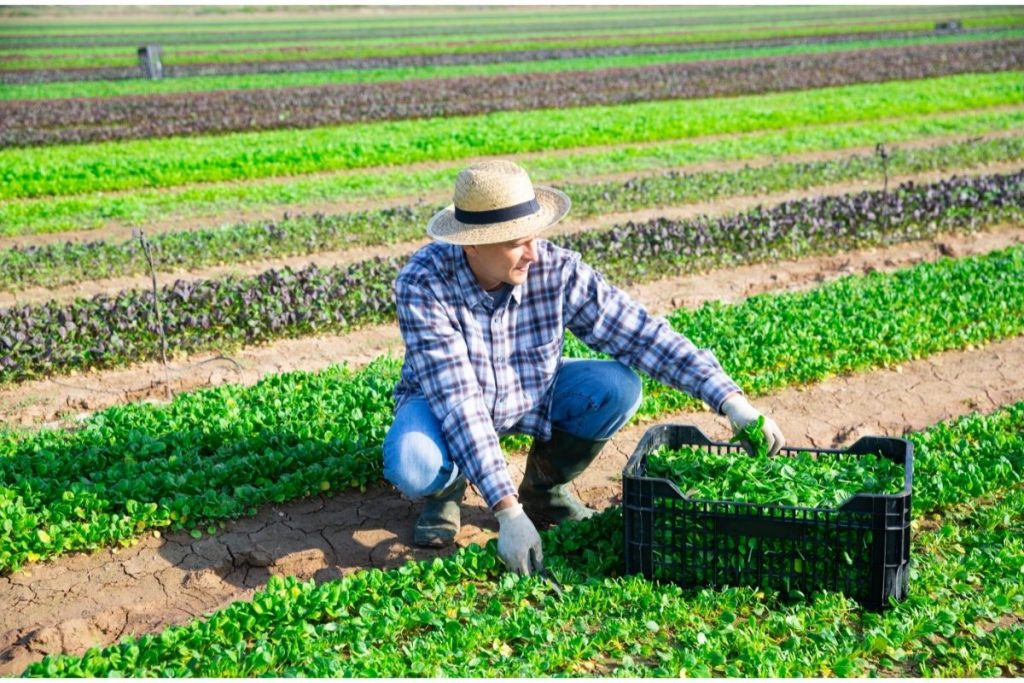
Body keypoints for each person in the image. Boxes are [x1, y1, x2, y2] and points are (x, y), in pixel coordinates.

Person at [382, 159, 785, 576]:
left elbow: (641, 334)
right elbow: (459, 401)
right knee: (413, 462)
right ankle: (448, 488)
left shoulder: (554, 269)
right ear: (472, 245)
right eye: (516, 243)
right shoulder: (423, 284)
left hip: (529, 394)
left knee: (616, 387)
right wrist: (506, 513)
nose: (532, 254)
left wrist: (731, 400)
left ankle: (544, 490)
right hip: (443, 408)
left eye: (534, 237)